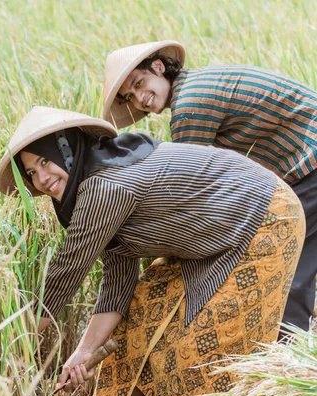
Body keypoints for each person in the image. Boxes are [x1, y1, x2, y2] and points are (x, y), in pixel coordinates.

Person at [0, 105, 305, 396]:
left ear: (66, 151)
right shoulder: (91, 185)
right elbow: (118, 276)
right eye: (32, 173)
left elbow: (66, 274)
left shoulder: (103, 186)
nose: (42, 179)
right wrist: (86, 351)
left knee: (203, 352)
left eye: (45, 161)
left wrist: (12, 341)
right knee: (138, 325)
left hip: (264, 216)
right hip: (207, 239)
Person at [102, 40, 317, 336]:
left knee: (286, 262)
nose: (141, 98)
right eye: (131, 96)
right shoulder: (199, 82)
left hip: (311, 162)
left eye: (140, 83)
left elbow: (189, 198)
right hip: (306, 164)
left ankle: (287, 359)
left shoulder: (189, 107)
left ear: (159, 67)